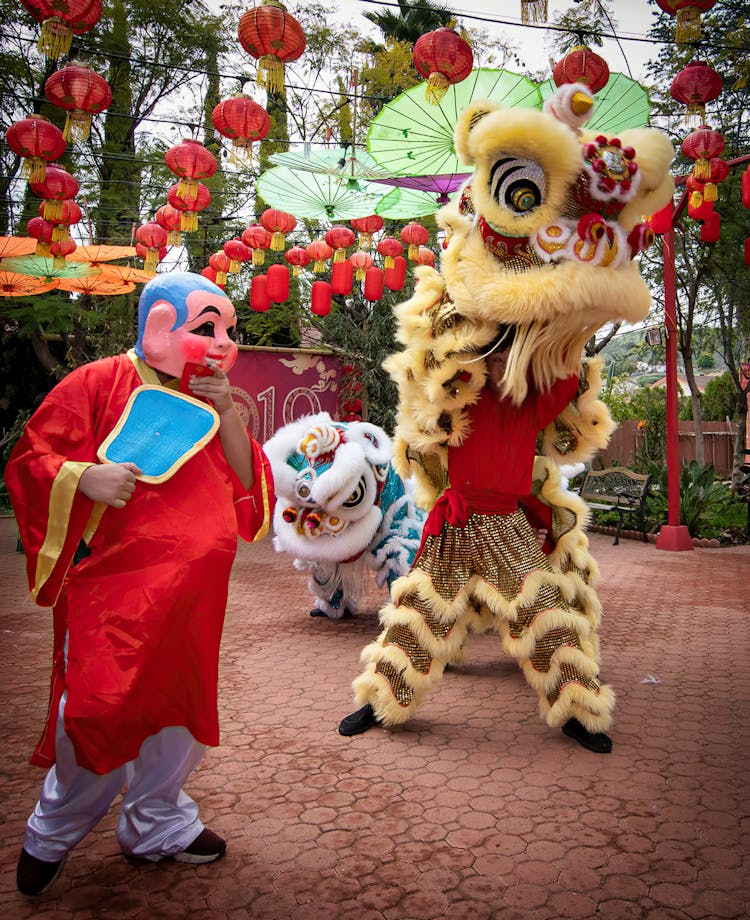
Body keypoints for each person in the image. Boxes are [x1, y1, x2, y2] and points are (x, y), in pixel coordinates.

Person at [5, 272, 274, 896]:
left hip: (196, 598)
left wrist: (228, 409)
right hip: (114, 592)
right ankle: (51, 830)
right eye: (206, 328)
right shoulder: (100, 381)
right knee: (99, 709)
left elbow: (247, 475)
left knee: (179, 709)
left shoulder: (213, 396)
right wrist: (82, 477)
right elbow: (31, 460)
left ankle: (157, 822)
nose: (222, 343)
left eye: (229, 332)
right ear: (159, 326)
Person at [338, 332, 614, 753]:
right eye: (495, 353)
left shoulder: (531, 401)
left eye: (511, 353)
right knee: (417, 613)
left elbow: (565, 376)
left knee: (545, 614)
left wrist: (568, 328)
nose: (503, 361)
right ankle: (380, 703)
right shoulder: (459, 398)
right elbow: (426, 392)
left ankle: (580, 713)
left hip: (506, 526)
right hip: (456, 522)